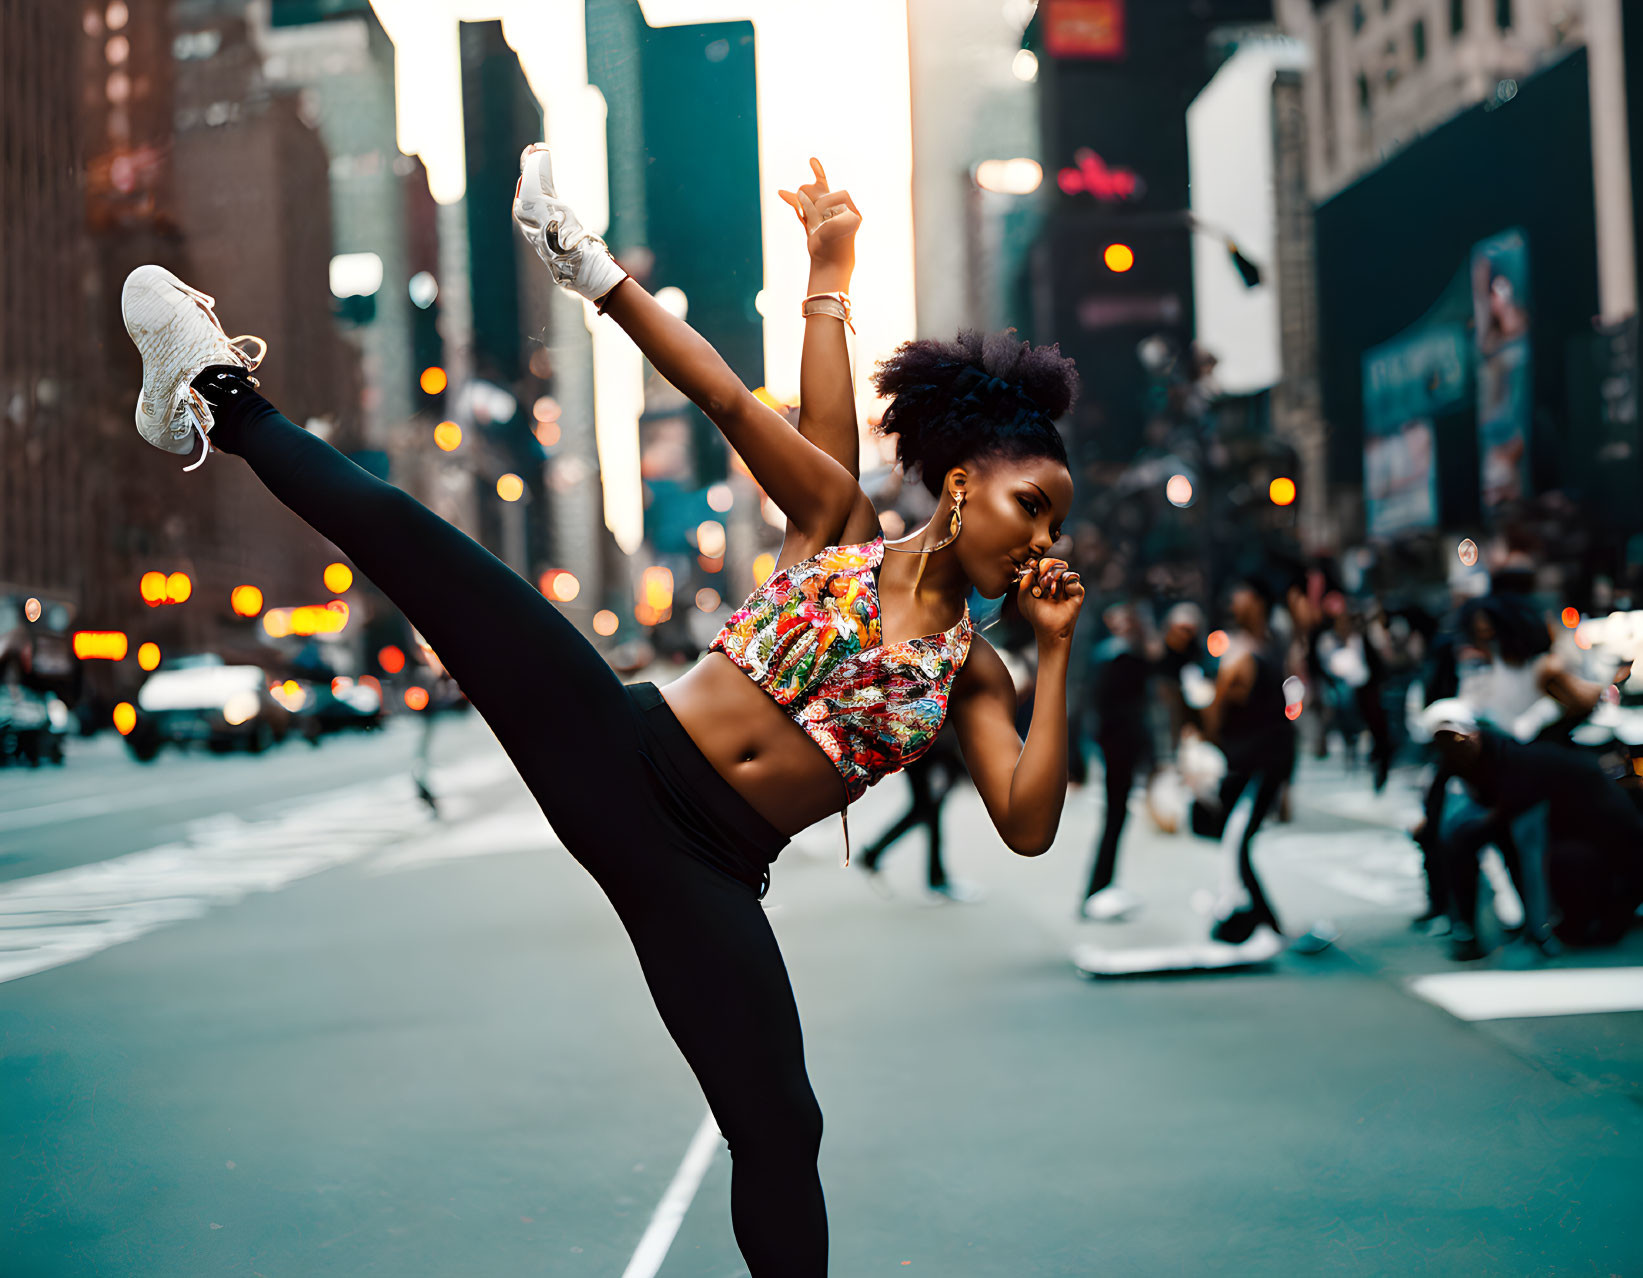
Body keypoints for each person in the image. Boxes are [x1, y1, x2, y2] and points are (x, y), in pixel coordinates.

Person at [118, 149, 1083, 1277]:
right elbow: (728, 393)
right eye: (1033, 505)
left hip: (707, 873)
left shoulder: (976, 674)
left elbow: (1024, 820)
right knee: (424, 554)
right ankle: (217, 394)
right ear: (965, 482)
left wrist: (1054, 659)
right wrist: (596, 266)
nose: (1040, 540)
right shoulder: (834, 518)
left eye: (1055, 527)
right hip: (619, 747)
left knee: (781, 1127)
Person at [1421, 700, 1643, 958]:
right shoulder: (1459, 757)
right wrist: (1429, 830)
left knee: (1530, 853)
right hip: (1565, 818)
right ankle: (1469, 928)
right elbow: (1440, 806)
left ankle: (1541, 931)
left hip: (1597, 827)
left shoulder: (1509, 757)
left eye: (1460, 738)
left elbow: (1513, 823)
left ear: (1475, 733)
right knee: (1467, 841)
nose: (1456, 747)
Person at [1197, 577, 1296, 946]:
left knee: (1237, 841)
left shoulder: (1264, 646)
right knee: (1236, 841)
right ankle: (1262, 920)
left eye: (1241, 594)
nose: (1234, 601)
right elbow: (1216, 713)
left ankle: (1261, 920)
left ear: (1256, 600)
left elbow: (1218, 712)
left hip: (1265, 762)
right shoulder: (1243, 649)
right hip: (1251, 762)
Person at [1080, 602, 1152, 921]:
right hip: (1119, 745)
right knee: (1115, 816)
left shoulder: (1112, 655)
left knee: (1116, 816)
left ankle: (1101, 886)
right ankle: (1098, 888)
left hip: (1116, 744)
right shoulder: (1120, 657)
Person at [856, 721, 979, 901]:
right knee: (929, 807)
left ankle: (873, 855)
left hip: (921, 742)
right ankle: (936, 879)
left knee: (925, 808)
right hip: (923, 744)